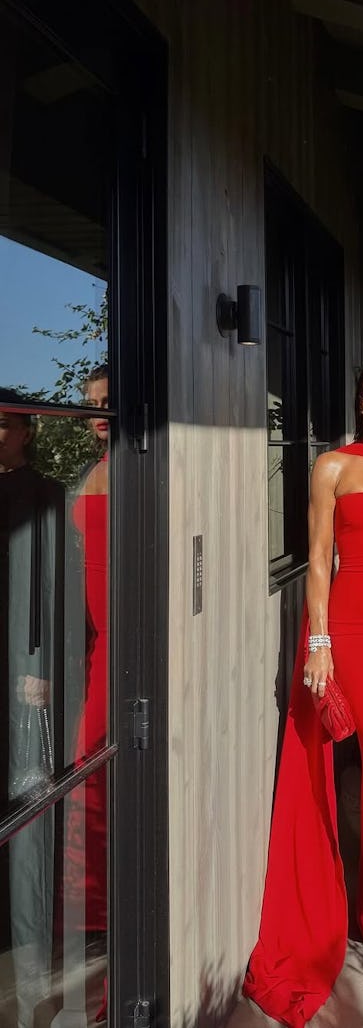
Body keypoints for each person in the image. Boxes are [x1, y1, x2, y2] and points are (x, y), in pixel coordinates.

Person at [245, 358, 363, 1028]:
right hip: (351, 633)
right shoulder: (332, 467)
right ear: (359, 404)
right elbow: (320, 559)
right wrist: (319, 642)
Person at [0, 389, 66, 1026]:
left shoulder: (44, 493)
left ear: (27, 432)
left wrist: (38, 668)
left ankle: (31, 970)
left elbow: (50, 588)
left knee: (24, 815)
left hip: (21, 678)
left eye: (4, 426)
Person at [65, 364, 109, 961]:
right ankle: (92, 908)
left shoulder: (151, 467)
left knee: (92, 756)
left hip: (137, 638)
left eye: (109, 404)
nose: (101, 417)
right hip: (95, 641)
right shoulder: (86, 474)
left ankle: (100, 906)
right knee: (87, 762)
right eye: (94, 406)